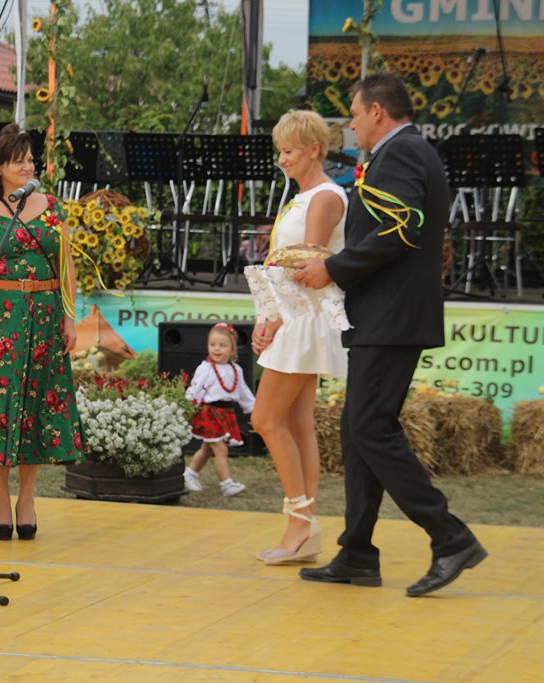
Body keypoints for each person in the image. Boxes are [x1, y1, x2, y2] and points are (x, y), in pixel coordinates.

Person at [295, 73, 487, 596]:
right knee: (360, 431)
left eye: (354, 115)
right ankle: (357, 553)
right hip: (385, 312)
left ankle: (449, 536)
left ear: (377, 111)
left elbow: (400, 229)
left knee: (371, 428)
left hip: (391, 314)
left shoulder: (401, 153)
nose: (351, 125)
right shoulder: (403, 153)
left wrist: (335, 268)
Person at [0, 123, 84, 542]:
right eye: (20, 160)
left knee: (39, 405)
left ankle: (27, 498)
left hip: (46, 316)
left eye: (31, 158)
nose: (29, 165)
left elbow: (65, 266)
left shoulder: (52, 207)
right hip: (0, 320)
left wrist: (69, 315)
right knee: (0, 405)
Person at [246, 110, 348, 566]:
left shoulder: (324, 197)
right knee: (297, 423)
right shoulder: (304, 196)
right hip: (294, 318)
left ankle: (299, 524)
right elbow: (284, 265)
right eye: (280, 151)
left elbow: (309, 267)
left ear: (313, 149)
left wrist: (273, 322)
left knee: (266, 420)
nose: (282, 159)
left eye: (288, 151)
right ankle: (304, 527)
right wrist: (267, 315)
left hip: (303, 321)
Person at [183, 323, 256, 497]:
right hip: (209, 413)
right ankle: (226, 485)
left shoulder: (235, 370)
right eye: (212, 345)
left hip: (226, 414)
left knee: (207, 449)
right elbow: (195, 389)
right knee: (221, 450)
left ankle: (189, 474)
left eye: (222, 345)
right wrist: (188, 407)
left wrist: (253, 408)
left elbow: (243, 391)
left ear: (232, 349)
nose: (217, 349)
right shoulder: (205, 368)